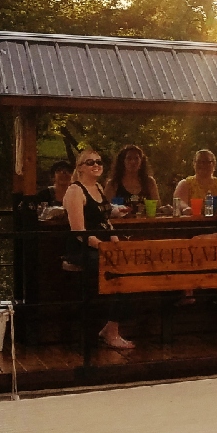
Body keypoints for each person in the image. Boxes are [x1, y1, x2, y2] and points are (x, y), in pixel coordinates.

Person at [63, 148, 132, 349]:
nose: (96, 166)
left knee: (132, 268)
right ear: (80, 167)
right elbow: (79, 231)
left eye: (99, 162)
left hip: (102, 247)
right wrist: (104, 247)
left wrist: (116, 243)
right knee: (120, 273)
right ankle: (111, 332)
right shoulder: (75, 191)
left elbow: (105, 222)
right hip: (82, 249)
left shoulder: (100, 188)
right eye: (90, 162)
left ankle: (111, 327)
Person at [107, 145, 159, 211]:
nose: (133, 162)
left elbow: (157, 207)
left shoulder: (149, 182)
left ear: (141, 161)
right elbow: (105, 209)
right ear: (122, 161)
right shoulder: (113, 184)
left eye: (136, 158)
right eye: (129, 158)